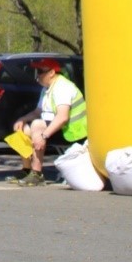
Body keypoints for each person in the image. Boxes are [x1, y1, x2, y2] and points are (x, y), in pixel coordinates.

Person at [8, 57, 87, 186]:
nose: (37, 76)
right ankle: (27, 170)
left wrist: (44, 136)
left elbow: (62, 117)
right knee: (21, 130)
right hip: (58, 127)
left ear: (51, 73)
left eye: (40, 71)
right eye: (36, 72)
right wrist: (22, 119)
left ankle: (37, 173)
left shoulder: (63, 87)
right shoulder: (47, 88)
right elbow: (38, 111)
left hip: (72, 131)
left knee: (37, 125)